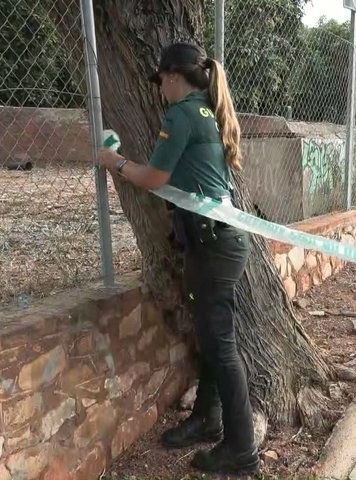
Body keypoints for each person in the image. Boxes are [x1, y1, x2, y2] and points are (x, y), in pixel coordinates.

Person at [96, 43, 259, 476]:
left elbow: (154, 178)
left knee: (222, 348)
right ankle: (209, 419)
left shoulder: (183, 113)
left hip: (213, 246)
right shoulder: (207, 109)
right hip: (217, 243)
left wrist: (116, 162)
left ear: (172, 77)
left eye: (161, 82)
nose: (159, 91)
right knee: (213, 338)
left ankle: (241, 450)